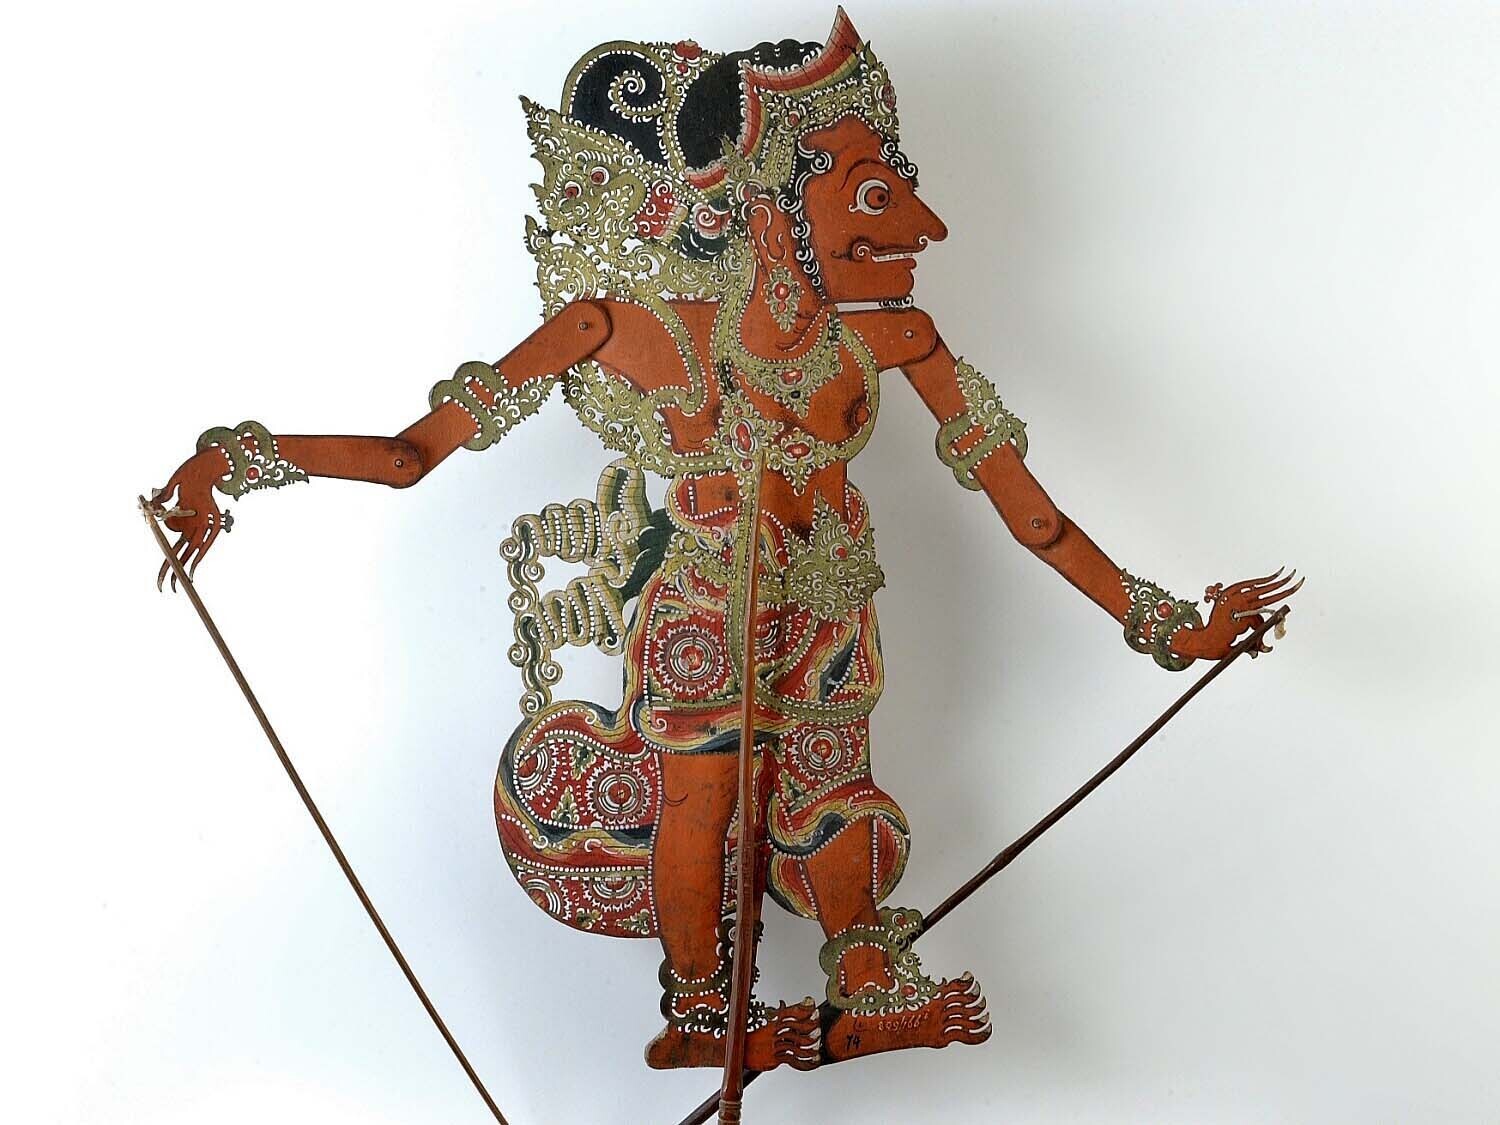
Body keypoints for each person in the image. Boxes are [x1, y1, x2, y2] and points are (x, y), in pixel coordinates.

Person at [149, 11, 1300, 1072]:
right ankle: (703, 1017)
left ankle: (862, 976)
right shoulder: (627, 331)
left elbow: (1029, 513)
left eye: (901, 190)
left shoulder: (896, 337)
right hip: (707, 612)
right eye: (873, 196)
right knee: (703, 801)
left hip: (833, 613)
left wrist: (1169, 626)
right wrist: (231, 464)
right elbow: (412, 455)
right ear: (764, 206)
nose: (924, 227)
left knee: (837, 801)